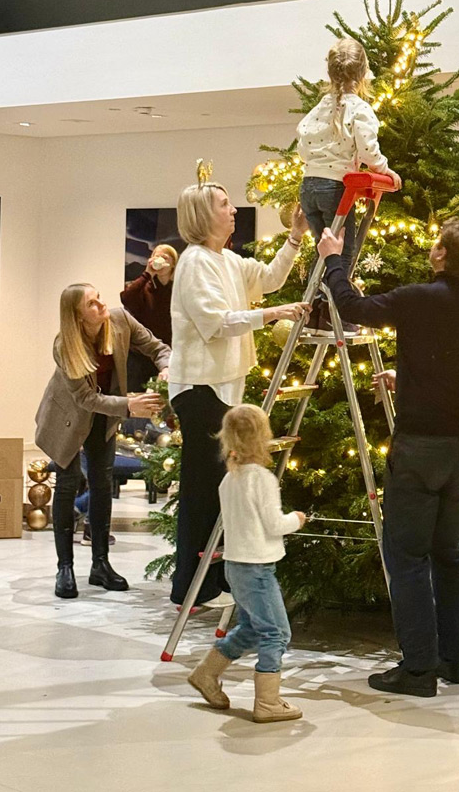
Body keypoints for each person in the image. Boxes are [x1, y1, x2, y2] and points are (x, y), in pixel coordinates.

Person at [317, 217, 459, 697]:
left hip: (419, 447)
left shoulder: (418, 299)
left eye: (436, 245)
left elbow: (352, 305)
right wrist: (409, 379)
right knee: (448, 554)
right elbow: (456, 371)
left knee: (408, 556)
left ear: (441, 255)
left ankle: (417, 670)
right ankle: (452, 662)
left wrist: (333, 257)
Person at [168, 177, 309, 607]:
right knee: (201, 488)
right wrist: (272, 315)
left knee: (220, 486)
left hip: (226, 386)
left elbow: (268, 279)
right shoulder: (194, 262)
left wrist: (296, 237)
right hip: (200, 387)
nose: (234, 211)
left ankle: (215, 580)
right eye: (225, 205)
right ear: (202, 216)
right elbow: (216, 321)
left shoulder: (226, 260)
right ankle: (191, 586)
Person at [35, 283, 170, 599]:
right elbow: (84, 398)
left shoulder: (120, 320)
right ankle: (64, 568)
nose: (101, 305)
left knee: (101, 484)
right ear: (78, 317)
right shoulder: (64, 346)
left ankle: (100, 565)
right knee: (67, 486)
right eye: (91, 303)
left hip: (103, 419)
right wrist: (128, 405)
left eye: (99, 298)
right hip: (67, 419)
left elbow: (158, 347)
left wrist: (165, 368)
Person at [188, 405, 306, 721]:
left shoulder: (230, 480)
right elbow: (273, 525)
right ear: (263, 437)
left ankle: (206, 674)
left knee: (253, 627)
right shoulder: (262, 479)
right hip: (257, 569)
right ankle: (267, 702)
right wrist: (296, 519)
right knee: (276, 633)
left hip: (236, 566)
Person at [296, 37, 401, 331]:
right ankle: (336, 315)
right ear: (363, 73)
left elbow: (303, 145)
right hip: (335, 189)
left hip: (309, 186)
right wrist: (384, 170)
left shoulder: (319, 108)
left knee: (323, 251)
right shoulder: (359, 109)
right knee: (341, 255)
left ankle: (315, 312)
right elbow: (367, 149)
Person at [120, 243, 178, 391]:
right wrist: (147, 273)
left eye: (165, 257)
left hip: (168, 354)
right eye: (156, 256)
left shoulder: (178, 290)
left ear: (173, 263)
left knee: (163, 399)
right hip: (141, 354)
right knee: (137, 396)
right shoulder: (144, 288)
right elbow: (126, 298)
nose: (160, 259)